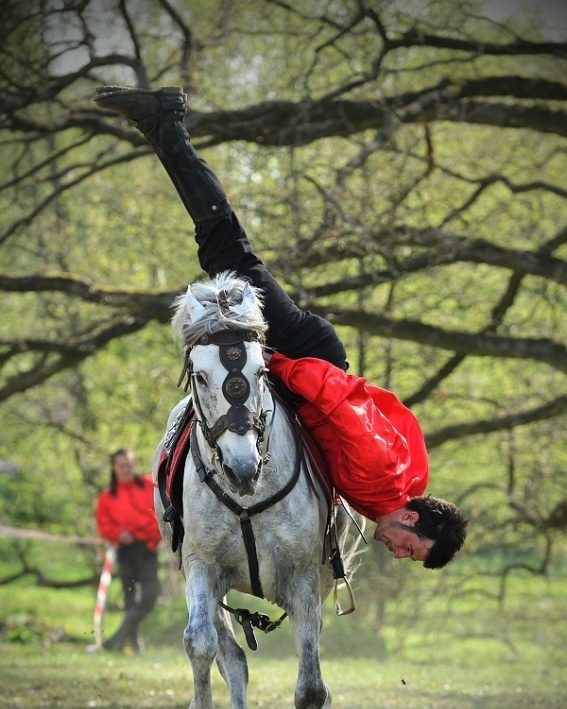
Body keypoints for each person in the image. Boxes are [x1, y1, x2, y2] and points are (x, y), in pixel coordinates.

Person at [93, 86, 468, 568]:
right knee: (225, 250)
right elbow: (334, 394)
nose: (399, 554)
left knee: (221, 252)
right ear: (413, 520)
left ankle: (161, 123)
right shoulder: (382, 475)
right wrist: (272, 363)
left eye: (407, 558)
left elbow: (396, 417)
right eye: (410, 549)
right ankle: (163, 119)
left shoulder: (403, 484)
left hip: (309, 370)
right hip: (307, 356)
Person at [94, 448, 161, 651]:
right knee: (130, 598)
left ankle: (116, 639)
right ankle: (133, 643)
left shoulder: (150, 485)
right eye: (122, 465)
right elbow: (103, 525)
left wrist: (153, 536)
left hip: (148, 549)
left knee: (151, 595)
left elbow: (162, 512)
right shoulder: (107, 496)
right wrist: (117, 533)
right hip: (125, 551)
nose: (126, 469)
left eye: (129, 464)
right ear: (114, 468)